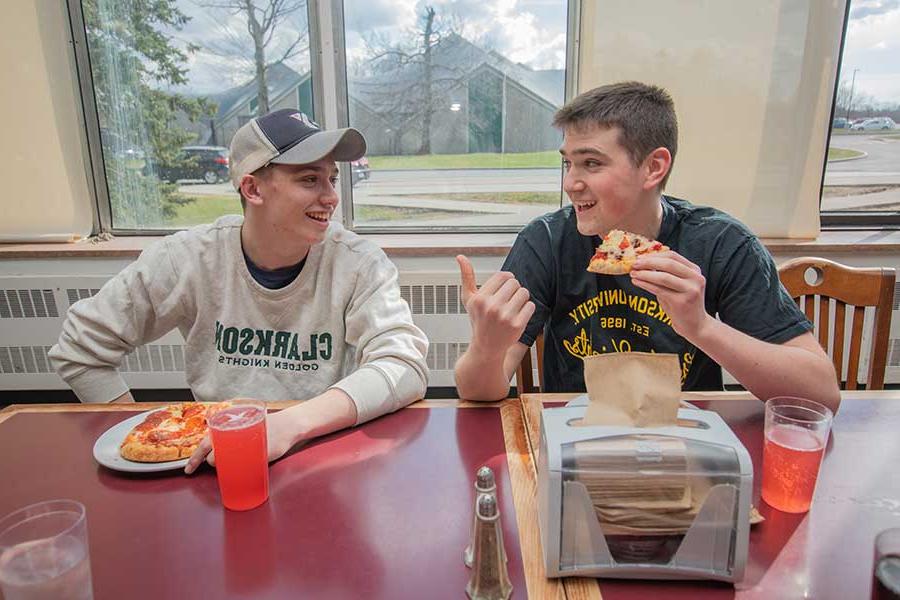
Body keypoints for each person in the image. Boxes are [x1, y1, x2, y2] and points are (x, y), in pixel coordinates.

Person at [49, 108, 430, 472]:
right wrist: (151, 435)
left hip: (322, 447)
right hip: (216, 459)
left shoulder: (358, 262)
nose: (330, 196)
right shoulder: (188, 257)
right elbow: (79, 349)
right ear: (252, 188)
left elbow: (403, 367)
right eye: (309, 180)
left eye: (331, 178)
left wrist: (286, 426)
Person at [454, 81, 840, 413]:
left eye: (591, 163)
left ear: (653, 167)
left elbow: (822, 394)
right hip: (574, 439)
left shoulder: (721, 242)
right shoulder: (546, 241)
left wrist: (701, 327)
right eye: (568, 164)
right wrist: (487, 350)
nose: (571, 182)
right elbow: (477, 392)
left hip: (685, 436)